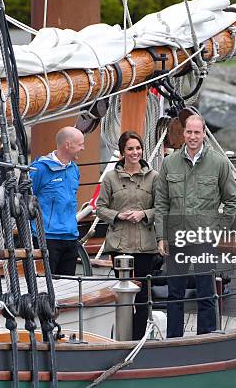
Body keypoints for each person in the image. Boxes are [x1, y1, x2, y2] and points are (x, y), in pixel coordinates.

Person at [155, 114, 236, 337]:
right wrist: (161, 236)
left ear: (204, 134)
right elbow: (161, 202)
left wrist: (219, 230)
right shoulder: (169, 163)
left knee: (206, 290)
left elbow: (233, 201)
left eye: (197, 132)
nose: (193, 136)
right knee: (175, 293)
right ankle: (173, 340)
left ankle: (206, 337)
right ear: (183, 133)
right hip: (176, 238)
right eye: (189, 132)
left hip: (205, 239)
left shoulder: (219, 163)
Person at [96, 131, 159, 340]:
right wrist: (118, 215)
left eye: (138, 148)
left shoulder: (154, 177)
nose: (135, 152)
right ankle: (123, 339)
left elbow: (161, 208)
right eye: (130, 149)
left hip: (144, 246)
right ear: (122, 152)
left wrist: (143, 214)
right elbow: (100, 208)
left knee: (142, 297)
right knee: (123, 297)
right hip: (119, 246)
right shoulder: (110, 178)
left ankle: (137, 340)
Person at [31, 126, 85, 276]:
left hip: (70, 237)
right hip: (47, 238)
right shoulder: (40, 169)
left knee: (67, 286)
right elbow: (26, 201)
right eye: (80, 144)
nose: (83, 148)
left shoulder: (74, 169)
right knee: (44, 286)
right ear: (68, 145)